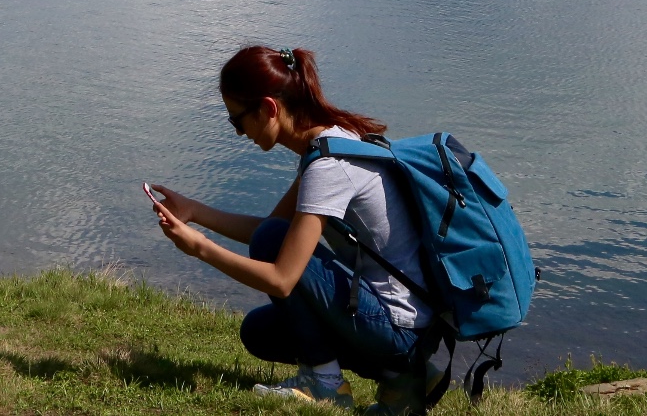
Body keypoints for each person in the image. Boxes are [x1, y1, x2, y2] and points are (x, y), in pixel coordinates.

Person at [147, 45, 433, 413]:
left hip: (396, 328)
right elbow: (272, 228)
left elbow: (283, 277)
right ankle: (407, 371)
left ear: (268, 108)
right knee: (259, 332)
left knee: (273, 245)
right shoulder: (333, 140)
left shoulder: (328, 167)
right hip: (405, 322)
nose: (237, 132)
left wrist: (200, 247)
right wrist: (194, 212)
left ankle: (328, 383)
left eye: (238, 119)